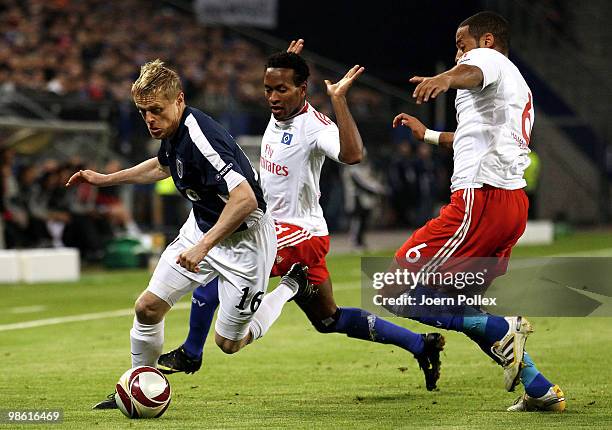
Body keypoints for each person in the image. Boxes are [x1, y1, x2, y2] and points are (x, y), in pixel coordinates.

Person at [157, 40, 445, 391]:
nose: (273, 97)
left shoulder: (314, 127)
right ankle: (421, 345)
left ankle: (192, 351)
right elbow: (284, 87)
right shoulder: (279, 114)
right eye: (268, 89)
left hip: (296, 233)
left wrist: (338, 100)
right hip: (287, 231)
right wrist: (288, 63)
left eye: (281, 89)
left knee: (217, 268)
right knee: (329, 320)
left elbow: (353, 154)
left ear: (302, 90)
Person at [67, 59, 312, 409]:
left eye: (156, 110)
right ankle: (140, 383)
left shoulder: (200, 136)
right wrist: (106, 179)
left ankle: (290, 286)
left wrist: (202, 248)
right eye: (142, 112)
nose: (150, 119)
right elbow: (160, 166)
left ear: (179, 100)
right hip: (201, 229)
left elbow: (245, 199)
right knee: (148, 308)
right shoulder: (173, 132)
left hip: (245, 243)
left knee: (229, 343)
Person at [382, 12, 565, 412]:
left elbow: (471, 70)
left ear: (485, 40)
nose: (457, 53)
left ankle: (505, 327)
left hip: (480, 201)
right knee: (460, 306)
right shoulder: (515, 85)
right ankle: (539, 389)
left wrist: (444, 79)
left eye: (461, 45)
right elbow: (472, 136)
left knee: (393, 287)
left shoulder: (491, 61)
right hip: (507, 204)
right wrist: (427, 134)